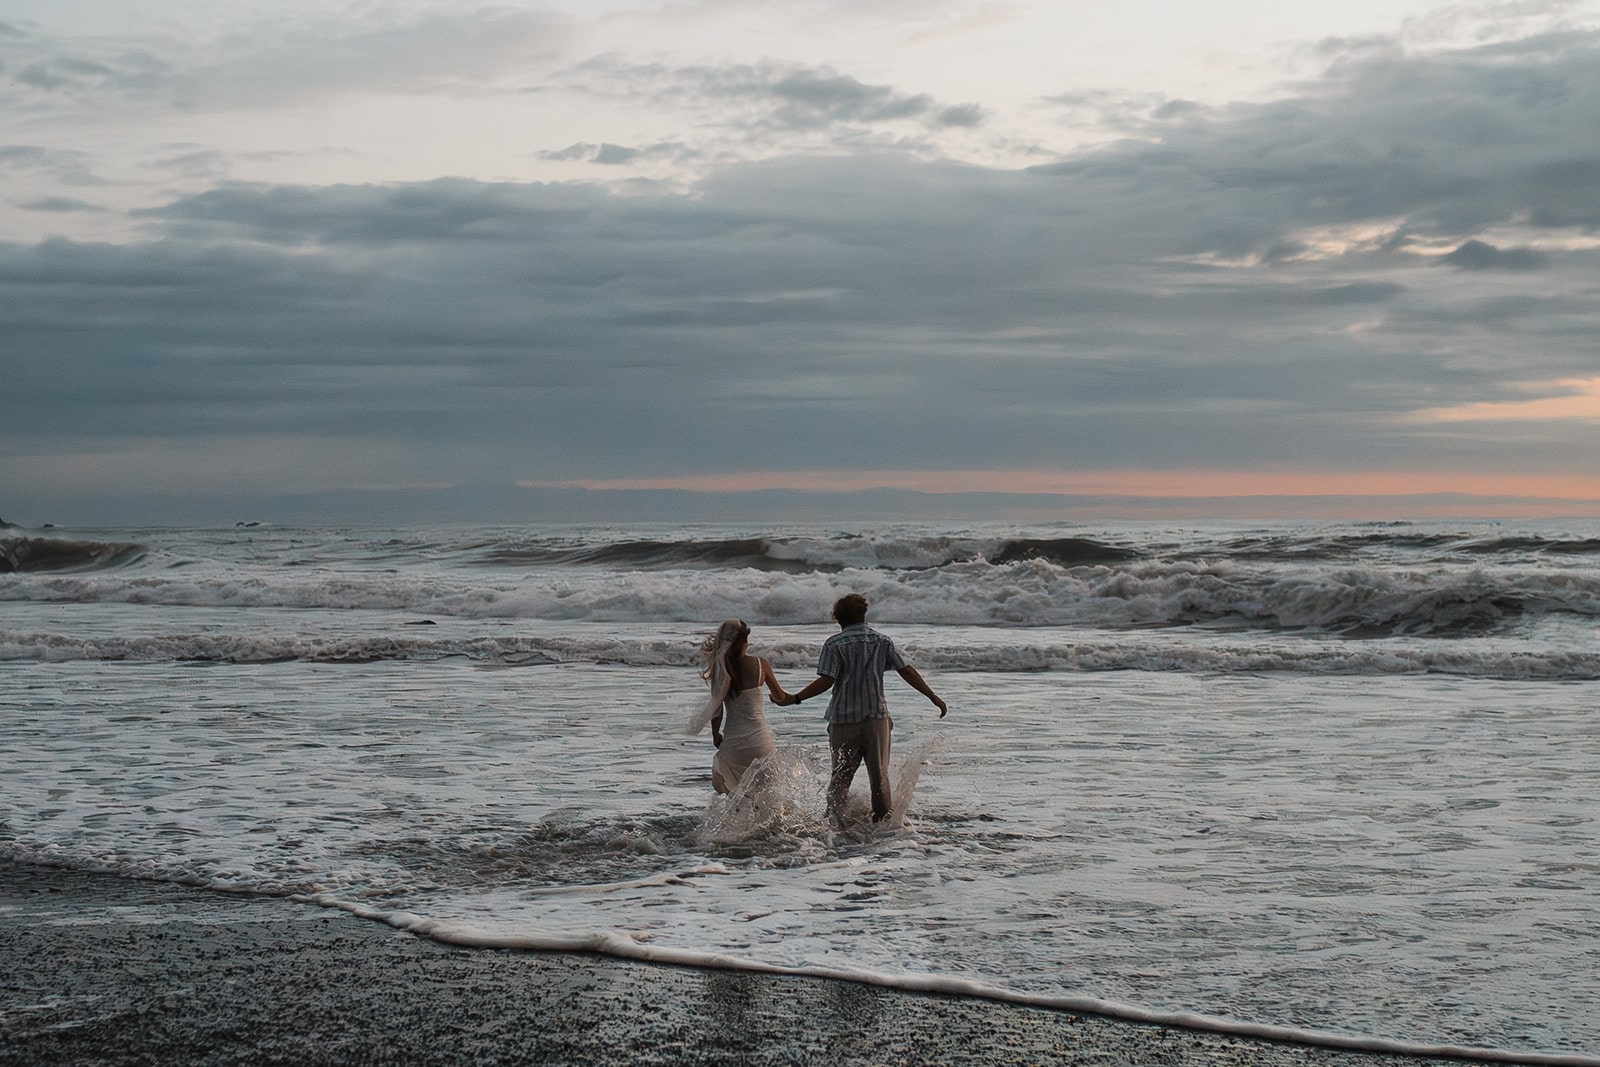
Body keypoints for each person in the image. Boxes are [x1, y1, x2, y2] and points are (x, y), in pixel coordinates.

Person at [779, 593, 946, 824]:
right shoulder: (882, 641)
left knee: (840, 777)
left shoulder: (834, 644)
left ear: (837, 618)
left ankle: (834, 824)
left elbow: (827, 680)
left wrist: (795, 698)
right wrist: (932, 696)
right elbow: (906, 670)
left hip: (843, 720)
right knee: (879, 776)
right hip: (876, 718)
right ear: (863, 615)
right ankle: (883, 823)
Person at [689, 619, 792, 794]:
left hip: (734, 743)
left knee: (734, 793)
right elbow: (780, 697)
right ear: (745, 640)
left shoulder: (721, 669)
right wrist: (794, 698)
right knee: (765, 793)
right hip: (761, 741)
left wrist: (715, 734)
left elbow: (717, 707)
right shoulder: (761, 664)